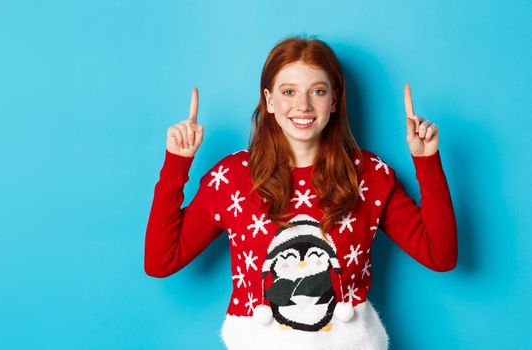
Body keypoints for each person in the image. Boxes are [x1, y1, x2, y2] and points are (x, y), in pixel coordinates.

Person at [143, 36, 457, 350]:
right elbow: (161, 261)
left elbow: (439, 255)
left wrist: (426, 160)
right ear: (268, 100)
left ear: (334, 100)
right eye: (289, 91)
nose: (303, 105)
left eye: (318, 91)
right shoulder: (233, 178)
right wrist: (176, 163)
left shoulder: (371, 174)